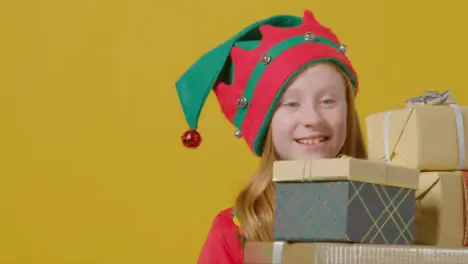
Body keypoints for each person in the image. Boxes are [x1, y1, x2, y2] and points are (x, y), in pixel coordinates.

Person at [174, 9, 367, 264]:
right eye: (291, 104)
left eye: (328, 100)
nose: (313, 119)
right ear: (265, 125)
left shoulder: (390, 211)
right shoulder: (235, 232)